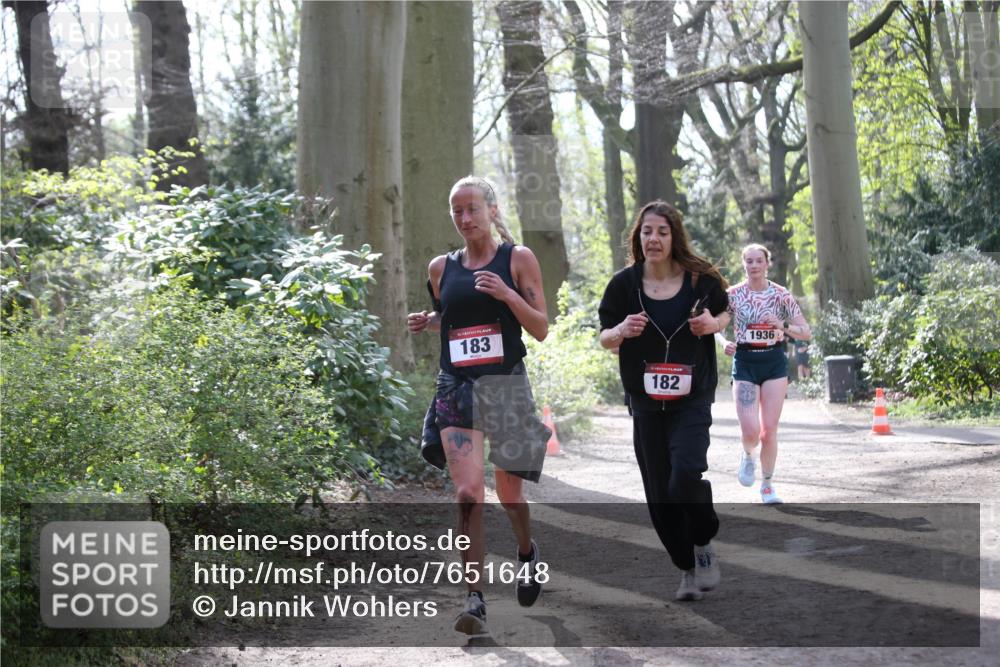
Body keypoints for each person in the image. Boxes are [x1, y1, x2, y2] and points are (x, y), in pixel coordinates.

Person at [407, 175, 551, 635]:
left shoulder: (519, 259)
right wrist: (428, 322)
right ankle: (475, 599)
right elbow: (452, 317)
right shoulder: (439, 267)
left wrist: (507, 294)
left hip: (505, 384)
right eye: (457, 211)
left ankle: (527, 554)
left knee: (510, 496)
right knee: (468, 493)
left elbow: (541, 327)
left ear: (491, 209)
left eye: (473, 209)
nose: (465, 218)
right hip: (456, 387)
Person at [598, 200, 730, 602]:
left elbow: (726, 314)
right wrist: (621, 330)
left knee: (685, 475)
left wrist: (712, 325)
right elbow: (604, 338)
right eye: (646, 232)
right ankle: (686, 569)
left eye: (662, 231)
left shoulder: (700, 279)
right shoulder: (624, 285)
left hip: (691, 398)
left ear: (675, 237)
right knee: (659, 493)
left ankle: (704, 543)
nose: (653, 239)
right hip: (645, 402)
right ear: (637, 238)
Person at [718, 243, 812, 504]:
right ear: (743, 264)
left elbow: (805, 331)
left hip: (773, 361)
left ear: (767, 263)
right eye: (749, 261)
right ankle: (747, 455)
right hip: (745, 361)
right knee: (751, 431)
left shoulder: (781, 295)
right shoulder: (733, 294)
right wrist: (723, 342)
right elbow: (717, 325)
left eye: (758, 261)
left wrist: (781, 324)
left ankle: (768, 486)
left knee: (768, 431)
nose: (754, 266)